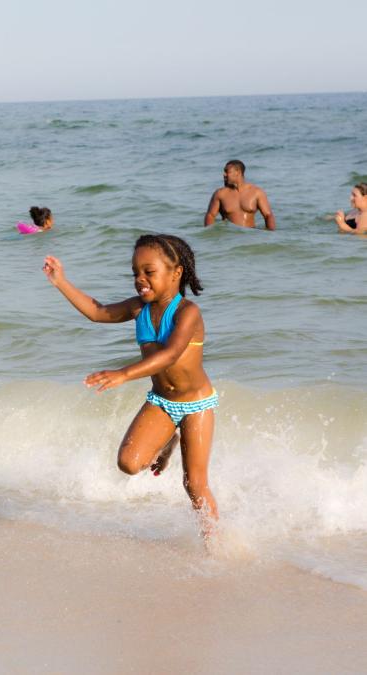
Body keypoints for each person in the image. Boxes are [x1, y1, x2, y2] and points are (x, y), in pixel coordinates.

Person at [42, 234, 219, 538]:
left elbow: (170, 355)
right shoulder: (139, 309)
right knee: (128, 463)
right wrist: (60, 282)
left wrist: (124, 374)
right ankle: (169, 439)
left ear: (176, 273)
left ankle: (215, 546)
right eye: (135, 272)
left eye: (149, 272)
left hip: (196, 405)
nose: (140, 279)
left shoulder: (187, 312)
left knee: (194, 484)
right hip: (162, 401)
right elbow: (98, 312)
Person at [204, 160, 276, 230]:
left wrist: (270, 234)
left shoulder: (256, 192)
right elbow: (210, 215)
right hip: (230, 235)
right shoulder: (220, 194)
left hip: (251, 234)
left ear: (238, 172)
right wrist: (209, 234)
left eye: (227, 171)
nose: (224, 174)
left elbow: (268, 215)